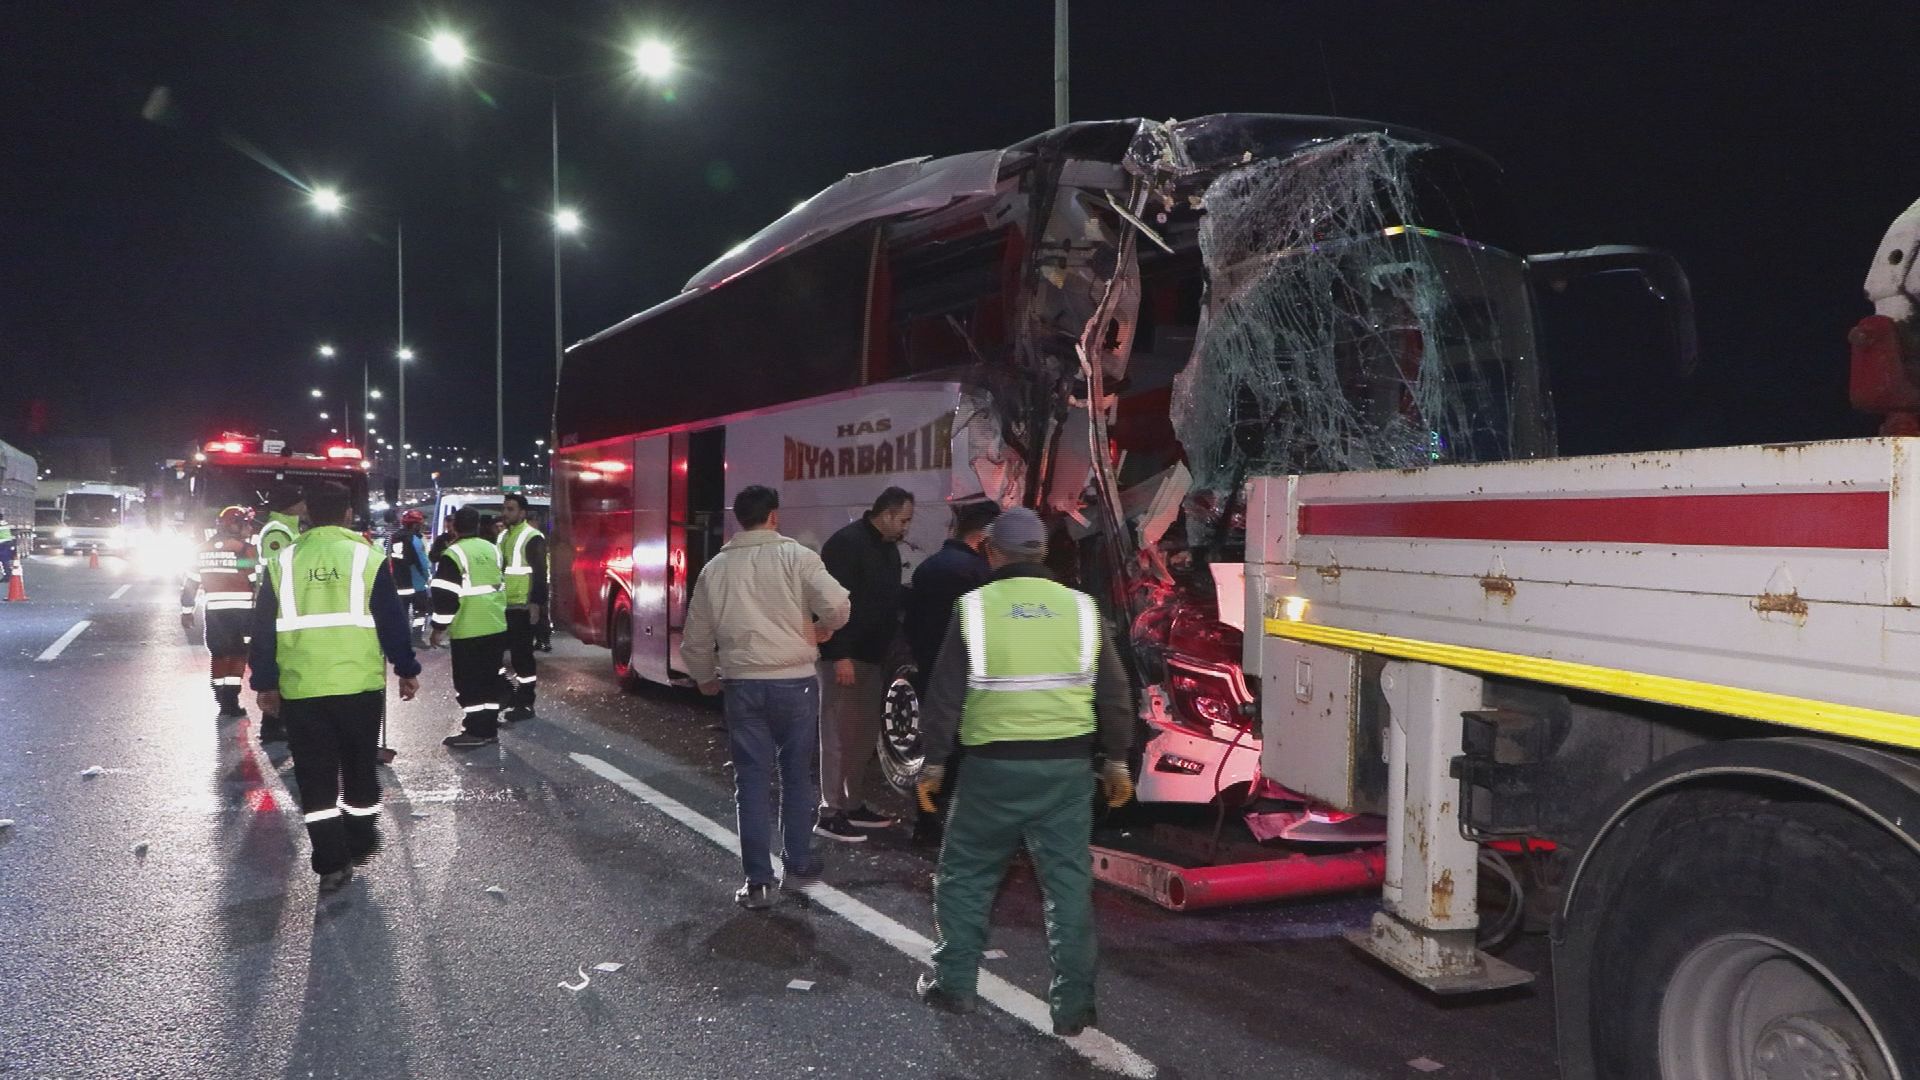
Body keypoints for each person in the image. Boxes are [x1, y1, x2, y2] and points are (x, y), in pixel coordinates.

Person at [911, 507, 1135, 1036]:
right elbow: (1116, 695)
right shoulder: (1082, 609)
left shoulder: (974, 608)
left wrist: (935, 764)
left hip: (991, 772)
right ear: (1043, 552)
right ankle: (1073, 1008)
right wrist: (1117, 761)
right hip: (1066, 773)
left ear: (992, 552)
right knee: (1067, 889)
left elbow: (944, 696)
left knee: (966, 878)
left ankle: (953, 985)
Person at [681, 485, 851, 909]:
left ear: (740, 519)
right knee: (797, 777)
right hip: (795, 683)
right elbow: (838, 605)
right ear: (774, 516)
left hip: (741, 686)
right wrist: (821, 628)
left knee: (751, 782)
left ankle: (757, 881)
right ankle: (797, 864)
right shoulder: (797, 557)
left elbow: (696, 635)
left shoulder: (716, 569)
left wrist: (704, 677)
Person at [249, 482, 421, 893]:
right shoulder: (368, 557)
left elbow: (263, 628)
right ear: (347, 513)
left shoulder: (283, 562)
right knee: (360, 765)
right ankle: (359, 839)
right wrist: (406, 667)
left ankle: (330, 861)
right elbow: (391, 619)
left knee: (315, 776)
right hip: (358, 685)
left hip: (303, 688)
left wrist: (265, 682)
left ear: (308, 512)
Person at [815, 486, 915, 841]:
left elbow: (882, 600)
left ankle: (852, 803)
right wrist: (839, 653)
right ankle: (830, 811)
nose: (906, 528)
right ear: (886, 514)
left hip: (872, 657)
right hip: (846, 658)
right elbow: (828, 604)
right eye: (903, 520)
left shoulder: (886, 549)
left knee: (861, 737)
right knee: (838, 734)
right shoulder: (846, 544)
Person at [901, 500, 1000, 845]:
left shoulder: (927, 567)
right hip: (970, 676)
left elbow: (911, 624)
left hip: (932, 672)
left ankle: (925, 823)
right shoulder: (980, 575)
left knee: (935, 750)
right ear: (983, 538)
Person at [429, 506, 510, 748]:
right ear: (477, 525)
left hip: (469, 628)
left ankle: (476, 730)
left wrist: (438, 628)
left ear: (455, 526)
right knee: (489, 680)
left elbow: (445, 595)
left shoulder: (454, 554)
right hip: (495, 625)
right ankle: (488, 727)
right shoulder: (492, 549)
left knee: (469, 682)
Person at [180, 506, 260, 722]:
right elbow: (256, 585)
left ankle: (220, 697)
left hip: (215, 612)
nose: (249, 528)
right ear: (234, 525)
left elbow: (190, 585)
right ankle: (231, 701)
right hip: (243, 614)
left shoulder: (201, 550)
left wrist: (187, 612)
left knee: (219, 654)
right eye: (245, 524)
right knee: (238, 655)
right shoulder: (246, 551)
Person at [252, 484, 305, 738]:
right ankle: (272, 724)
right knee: (279, 662)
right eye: (302, 502)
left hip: (281, 602)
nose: (306, 506)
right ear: (292, 505)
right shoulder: (278, 530)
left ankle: (278, 721)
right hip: (278, 604)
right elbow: (279, 571)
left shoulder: (287, 528)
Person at [495, 493, 548, 722]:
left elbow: (539, 573)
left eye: (511, 509)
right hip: (502, 605)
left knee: (521, 657)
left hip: (522, 606)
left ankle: (525, 703)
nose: (506, 513)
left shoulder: (531, 536)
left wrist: (536, 604)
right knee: (496, 654)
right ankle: (509, 694)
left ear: (522, 513)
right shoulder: (504, 536)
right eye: (505, 509)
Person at [386, 509, 433, 648]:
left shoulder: (394, 538)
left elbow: (389, 559)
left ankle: (401, 639)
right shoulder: (415, 539)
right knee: (420, 612)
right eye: (420, 523)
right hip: (417, 583)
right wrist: (427, 577)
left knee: (402, 613)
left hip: (400, 583)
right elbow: (422, 562)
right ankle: (416, 638)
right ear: (414, 525)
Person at [0, 510, 15, 584]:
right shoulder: (4, 523)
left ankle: (8, 575)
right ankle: (8, 575)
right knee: (5, 560)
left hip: (2, 544)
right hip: (7, 543)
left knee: (4, 560)